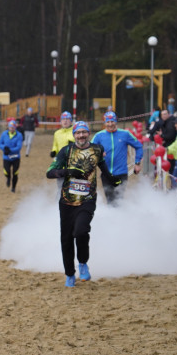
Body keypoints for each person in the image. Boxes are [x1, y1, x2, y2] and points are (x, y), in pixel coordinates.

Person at [45, 121, 120, 286]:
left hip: (87, 199)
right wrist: (67, 171)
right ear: (74, 135)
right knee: (66, 239)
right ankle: (70, 274)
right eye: (77, 133)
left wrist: (112, 180)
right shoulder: (66, 151)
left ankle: (83, 263)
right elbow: (49, 173)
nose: (81, 135)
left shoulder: (97, 150)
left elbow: (102, 167)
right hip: (66, 201)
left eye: (84, 132)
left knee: (81, 231)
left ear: (88, 134)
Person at [92, 110, 142, 202]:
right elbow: (90, 150)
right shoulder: (99, 136)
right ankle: (114, 216)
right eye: (108, 122)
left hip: (121, 173)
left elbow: (139, 146)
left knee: (119, 199)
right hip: (106, 174)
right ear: (104, 122)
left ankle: (119, 215)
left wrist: (137, 163)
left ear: (116, 121)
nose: (110, 124)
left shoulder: (125, 134)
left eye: (112, 121)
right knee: (110, 200)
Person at [0, 119, 23, 192]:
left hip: (16, 157)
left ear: (15, 128)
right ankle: (8, 178)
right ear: (8, 127)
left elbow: (19, 147)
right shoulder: (4, 134)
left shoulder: (19, 135)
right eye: (10, 127)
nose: (11, 129)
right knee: (6, 171)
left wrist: (10, 150)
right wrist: (4, 148)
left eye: (13, 127)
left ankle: (13, 187)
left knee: (15, 172)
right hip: (6, 157)